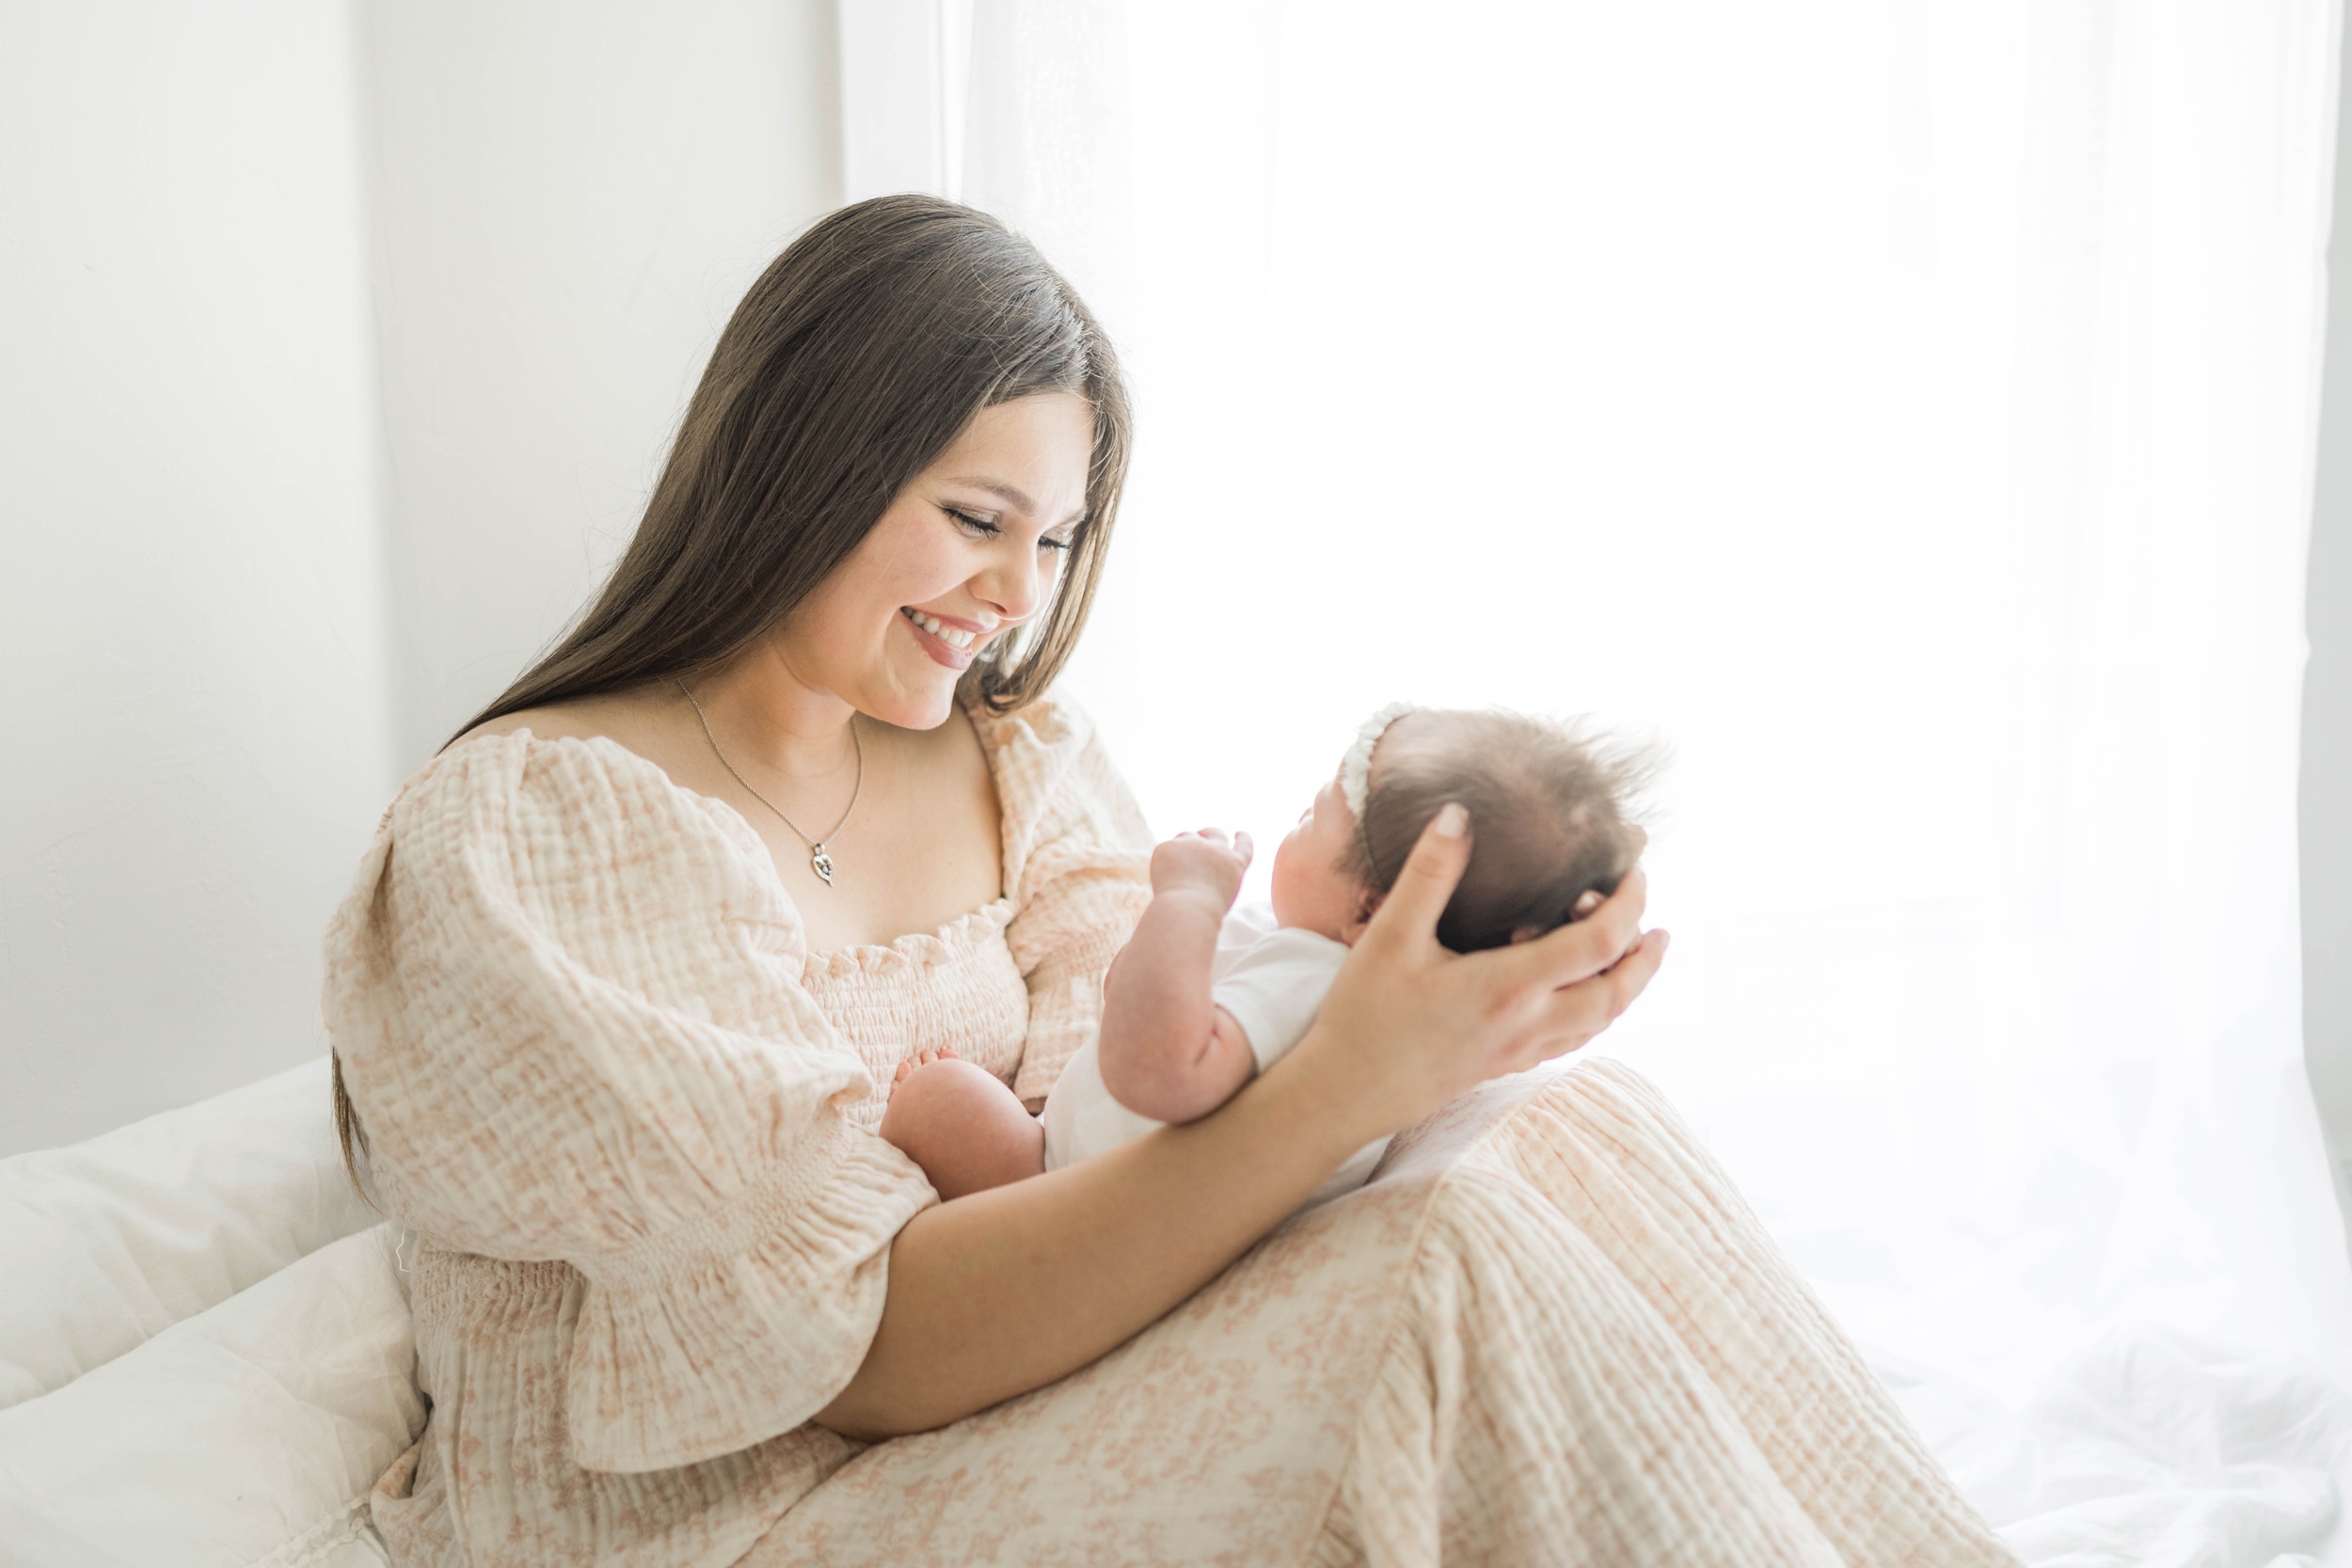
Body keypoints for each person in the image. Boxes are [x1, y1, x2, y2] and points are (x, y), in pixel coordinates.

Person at [324, 195, 2019, 1565]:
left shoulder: (1014, 760)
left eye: (1051, 539)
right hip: (755, 1498)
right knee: (1438, 1272)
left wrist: (1416, 1054)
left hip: (1028, 1356)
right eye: (977, 514)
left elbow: (1119, 1127)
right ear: (804, 462)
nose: (1013, 587)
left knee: (1563, 1131)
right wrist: (1343, 1084)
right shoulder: (539, 832)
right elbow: (863, 1349)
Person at [879, 705, 1647, 1210]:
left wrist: (1185, 899)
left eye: (1311, 816)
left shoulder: (1313, 982)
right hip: (1117, 1177)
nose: (1293, 823)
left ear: (1372, 910)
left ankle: (959, 1130)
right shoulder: (1331, 975)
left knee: (939, 1095)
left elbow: (1154, 1066)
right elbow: (1126, 999)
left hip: (1071, 1193)